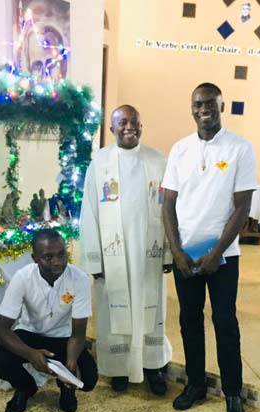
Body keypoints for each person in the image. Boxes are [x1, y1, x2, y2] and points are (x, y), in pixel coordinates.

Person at [162, 83, 257, 412]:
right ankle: (196, 385)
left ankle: (232, 392)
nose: (203, 109)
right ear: (192, 108)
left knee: (225, 322)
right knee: (189, 321)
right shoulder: (180, 149)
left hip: (223, 256)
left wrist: (217, 252)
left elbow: (242, 206)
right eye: (198, 104)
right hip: (186, 255)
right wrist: (176, 251)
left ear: (221, 106)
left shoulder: (240, 148)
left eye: (210, 104)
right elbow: (167, 204)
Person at [79, 105, 172, 395]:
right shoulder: (99, 163)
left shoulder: (158, 160)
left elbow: (169, 211)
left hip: (148, 254)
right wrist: (94, 260)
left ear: (142, 126)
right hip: (114, 256)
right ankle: (118, 368)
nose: (129, 126)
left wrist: (168, 252)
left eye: (134, 122)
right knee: (114, 312)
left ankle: (153, 367)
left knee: (151, 311)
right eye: (122, 122)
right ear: (112, 129)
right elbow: (89, 212)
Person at [0, 229, 97, 412]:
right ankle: (25, 388)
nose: (57, 262)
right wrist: (31, 354)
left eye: (61, 254)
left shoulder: (79, 278)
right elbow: (0, 330)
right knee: (0, 360)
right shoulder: (22, 277)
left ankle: (66, 388)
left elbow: (78, 334)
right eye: (48, 257)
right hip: (30, 334)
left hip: (64, 337)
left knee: (88, 380)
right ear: (35, 258)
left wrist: (71, 365)